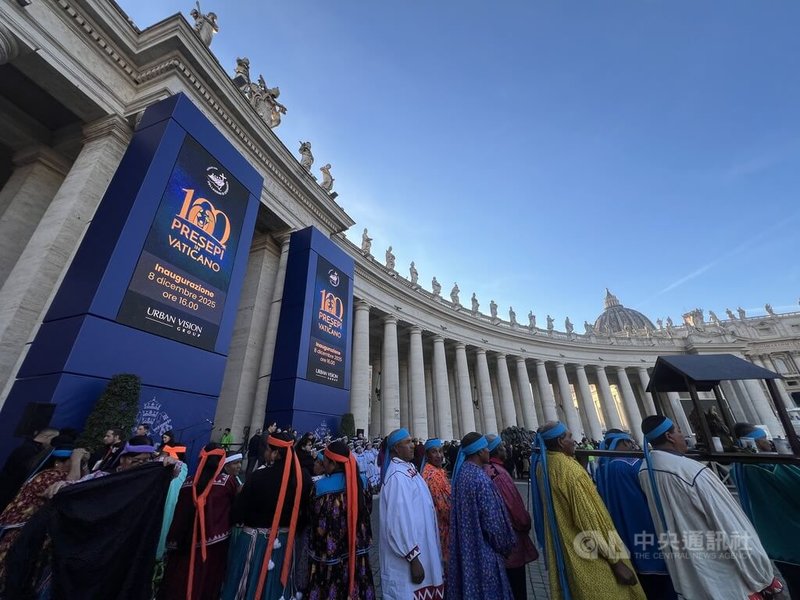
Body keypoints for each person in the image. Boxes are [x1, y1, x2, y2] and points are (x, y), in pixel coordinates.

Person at [638, 415, 782, 600]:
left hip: (689, 576)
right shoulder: (692, 471)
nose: (684, 436)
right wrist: (763, 577)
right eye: (680, 431)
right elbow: (731, 526)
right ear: (670, 437)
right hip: (726, 577)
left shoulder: (645, 470)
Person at [531, 421, 645, 600]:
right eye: (569, 437)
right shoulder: (571, 472)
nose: (574, 441)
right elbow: (588, 520)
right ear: (561, 442)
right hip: (589, 554)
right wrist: (615, 561)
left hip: (566, 545)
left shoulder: (544, 465)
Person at [222, 431, 310, 600]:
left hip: (255, 543)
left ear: (276, 453)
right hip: (285, 543)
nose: (265, 452)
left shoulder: (258, 477)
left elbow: (239, 511)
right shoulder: (302, 478)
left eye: (268, 449)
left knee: (247, 585)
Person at [595, 430, 677, 600]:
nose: (634, 445)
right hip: (648, 532)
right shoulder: (633, 465)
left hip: (622, 536)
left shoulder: (603, 466)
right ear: (624, 443)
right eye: (631, 442)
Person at [0, 439, 86, 588]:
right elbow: (71, 488)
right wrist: (77, 460)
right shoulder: (51, 476)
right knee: (10, 575)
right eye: (71, 462)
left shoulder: (47, 473)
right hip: (20, 534)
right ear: (59, 463)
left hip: (23, 533)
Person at [732, 423, 800, 597]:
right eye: (763, 439)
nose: (768, 442)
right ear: (752, 442)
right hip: (793, 537)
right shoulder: (773, 468)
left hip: (773, 540)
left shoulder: (738, 468)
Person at [160, 445, 236, 600]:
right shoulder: (227, 482)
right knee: (204, 583)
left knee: (178, 581)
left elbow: (179, 513)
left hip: (184, 543)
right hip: (211, 545)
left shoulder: (188, 482)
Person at [448, 432, 515, 599]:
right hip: (485, 554)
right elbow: (493, 524)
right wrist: (506, 546)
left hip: (465, 549)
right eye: (486, 448)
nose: (488, 451)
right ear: (479, 452)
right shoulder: (481, 479)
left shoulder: (462, 474)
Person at [379, 428, 444, 600]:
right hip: (409, 558)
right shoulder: (396, 477)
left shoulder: (408, 469)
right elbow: (398, 521)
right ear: (395, 449)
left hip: (423, 547)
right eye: (407, 442)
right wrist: (413, 557)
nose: (413, 445)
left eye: (412, 441)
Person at [307, 441, 375, 599]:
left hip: (330, 555)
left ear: (333, 463)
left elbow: (313, 515)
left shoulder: (319, 487)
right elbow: (368, 510)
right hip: (357, 550)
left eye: (325, 460)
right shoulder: (363, 482)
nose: (322, 462)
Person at [483, 435, 538, 600]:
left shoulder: (485, 470)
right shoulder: (498, 474)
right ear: (496, 450)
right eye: (502, 446)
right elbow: (516, 510)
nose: (506, 448)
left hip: (494, 545)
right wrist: (526, 523)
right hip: (511, 544)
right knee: (516, 589)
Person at [0, 427, 59, 512]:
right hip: (8, 492)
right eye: (53, 440)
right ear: (47, 437)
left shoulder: (27, 448)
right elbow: (21, 473)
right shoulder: (28, 451)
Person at [419, 438, 451, 564]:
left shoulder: (434, 471)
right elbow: (445, 508)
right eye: (434, 452)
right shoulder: (433, 475)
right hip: (441, 528)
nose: (439, 455)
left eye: (440, 451)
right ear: (427, 455)